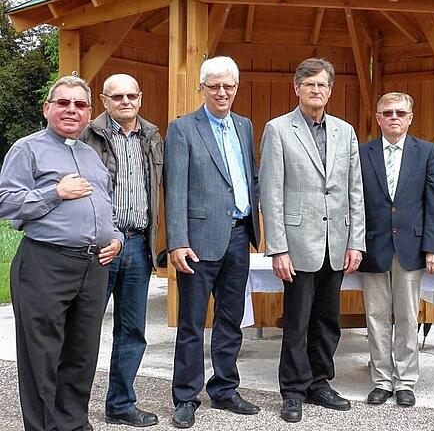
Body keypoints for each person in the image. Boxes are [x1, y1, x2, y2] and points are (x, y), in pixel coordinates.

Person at [0, 76, 123, 431]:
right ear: (47, 108)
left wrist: (115, 238)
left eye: (80, 105)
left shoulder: (90, 155)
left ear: (89, 113)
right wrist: (55, 192)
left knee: (81, 354)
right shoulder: (28, 149)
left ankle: (72, 422)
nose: (71, 110)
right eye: (63, 102)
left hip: (93, 265)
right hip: (46, 263)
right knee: (42, 355)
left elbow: (106, 205)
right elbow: (7, 202)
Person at [260, 58, 365, 423]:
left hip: (336, 243)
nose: (316, 90)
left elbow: (355, 191)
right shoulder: (278, 130)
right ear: (297, 88)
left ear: (330, 90)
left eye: (322, 85)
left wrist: (356, 242)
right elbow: (271, 192)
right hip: (298, 242)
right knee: (297, 321)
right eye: (309, 84)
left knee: (326, 321)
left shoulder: (345, 132)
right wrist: (278, 248)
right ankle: (292, 389)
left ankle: (319, 382)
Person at [164, 56, 261, 428]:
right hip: (198, 242)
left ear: (236, 88)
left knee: (230, 319)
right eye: (214, 85)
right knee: (191, 322)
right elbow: (174, 188)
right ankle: (186, 396)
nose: (222, 92)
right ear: (202, 88)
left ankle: (224, 388)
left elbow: (248, 176)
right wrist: (177, 241)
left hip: (239, 236)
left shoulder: (244, 125)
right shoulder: (184, 129)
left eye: (229, 86)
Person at [79, 73, 163, 427]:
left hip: (139, 246)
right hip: (98, 248)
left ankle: (120, 404)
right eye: (117, 96)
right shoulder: (89, 135)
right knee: (84, 331)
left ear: (140, 98)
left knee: (132, 331)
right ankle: (73, 409)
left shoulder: (152, 136)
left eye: (131, 95)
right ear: (104, 100)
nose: (125, 101)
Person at [358, 92, 434, 407]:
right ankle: (382, 380)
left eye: (400, 112)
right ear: (378, 118)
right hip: (372, 247)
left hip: (411, 246)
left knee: (408, 316)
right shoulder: (362, 152)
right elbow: (355, 203)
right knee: (376, 316)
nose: (394, 117)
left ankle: (406, 381)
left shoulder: (427, 152)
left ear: (410, 117)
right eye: (387, 112)